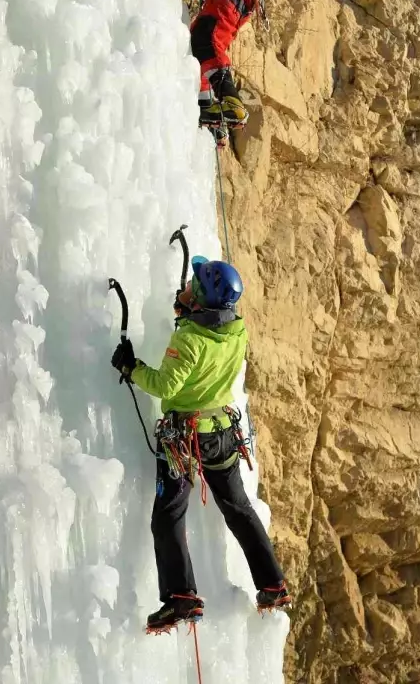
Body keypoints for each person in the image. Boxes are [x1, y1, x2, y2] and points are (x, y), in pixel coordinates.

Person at [111, 256, 291, 631]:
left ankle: (181, 596)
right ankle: (272, 583)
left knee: (169, 513)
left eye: (195, 285)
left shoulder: (189, 339)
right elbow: (207, 337)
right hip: (222, 432)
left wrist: (132, 367)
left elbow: (165, 386)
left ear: (203, 298)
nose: (188, 286)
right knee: (238, 507)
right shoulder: (236, 329)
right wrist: (190, 308)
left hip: (185, 437)